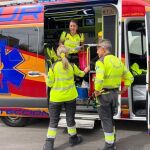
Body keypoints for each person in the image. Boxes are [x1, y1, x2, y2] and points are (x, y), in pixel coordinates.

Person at [42, 45, 89, 150]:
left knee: (53, 121)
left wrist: (45, 77)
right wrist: (86, 70)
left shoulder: (53, 67)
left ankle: (49, 144)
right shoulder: (72, 66)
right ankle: (73, 139)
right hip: (70, 97)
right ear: (67, 54)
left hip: (55, 98)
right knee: (70, 119)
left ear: (57, 54)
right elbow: (81, 74)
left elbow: (50, 84)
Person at [94, 39, 134, 150]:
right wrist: (125, 88)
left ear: (103, 48)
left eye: (98, 48)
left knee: (106, 120)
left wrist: (96, 90)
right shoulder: (117, 61)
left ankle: (109, 146)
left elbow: (100, 79)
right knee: (110, 118)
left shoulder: (100, 62)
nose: (97, 51)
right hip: (114, 95)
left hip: (103, 95)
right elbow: (130, 77)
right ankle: (113, 140)